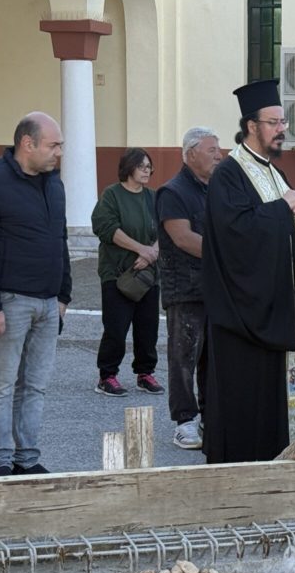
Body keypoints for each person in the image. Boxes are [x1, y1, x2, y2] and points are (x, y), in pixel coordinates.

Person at [202, 79, 295, 463]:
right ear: (252, 126)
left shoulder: (272, 172)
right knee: (245, 404)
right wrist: (284, 207)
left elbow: (281, 224)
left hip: (276, 311)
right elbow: (236, 234)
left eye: (283, 122)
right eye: (274, 122)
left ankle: (282, 458)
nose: (282, 129)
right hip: (244, 317)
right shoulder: (229, 174)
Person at [0, 111, 71, 476]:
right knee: (2, 386)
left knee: (35, 387)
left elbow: (61, 239)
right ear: (28, 143)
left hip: (47, 301)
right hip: (10, 301)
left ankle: (27, 459)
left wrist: (64, 295)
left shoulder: (53, 183)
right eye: (54, 145)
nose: (59, 153)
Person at [156, 127, 222, 449]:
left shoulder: (216, 189)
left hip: (215, 288)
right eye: (212, 150)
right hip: (184, 288)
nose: (218, 155)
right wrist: (226, 254)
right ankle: (184, 421)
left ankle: (212, 416)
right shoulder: (173, 191)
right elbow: (182, 238)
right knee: (184, 357)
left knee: (214, 358)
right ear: (191, 153)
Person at [91, 148, 163, 397]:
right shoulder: (112, 194)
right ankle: (107, 375)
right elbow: (106, 227)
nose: (147, 171)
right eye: (142, 166)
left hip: (148, 275)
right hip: (118, 273)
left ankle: (145, 373)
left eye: (149, 167)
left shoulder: (154, 197)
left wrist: (152, 252)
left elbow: (165, 228)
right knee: (116, 328)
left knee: (148, 327)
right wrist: (141, 250)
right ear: (128, 167)